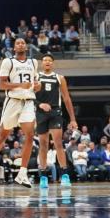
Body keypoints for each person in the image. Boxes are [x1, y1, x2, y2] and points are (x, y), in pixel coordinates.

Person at [0, 37, 40, 188]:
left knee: (30, 136)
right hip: (12, 101)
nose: (20, 44)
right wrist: (21, 85)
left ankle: (22, 173)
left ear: (26, 47)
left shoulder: (33, 62)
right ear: (14, 48)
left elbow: (36, 84)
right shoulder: (8, 62)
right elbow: (2, 85)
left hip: (28, 102)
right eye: (17, 43)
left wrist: (37, 85)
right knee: (3, 136)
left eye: (23, 42)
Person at [35, 54, 77, 188]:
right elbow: (29, 95)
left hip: (55, 112)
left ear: (53, 63)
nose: (47, 62)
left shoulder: (59, 78)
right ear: (42, 63)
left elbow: (66, 98)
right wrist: (39, 104)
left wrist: (72, 119)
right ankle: (43, 176)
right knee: (43, 144)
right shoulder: (36, 77)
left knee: (58, 143)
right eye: (45, 60)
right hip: (40, 112)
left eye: (49, 60)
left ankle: (64, 175)